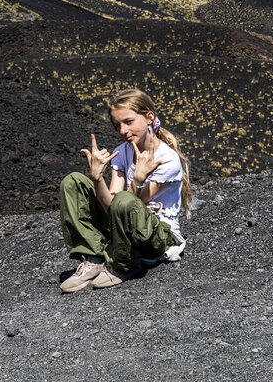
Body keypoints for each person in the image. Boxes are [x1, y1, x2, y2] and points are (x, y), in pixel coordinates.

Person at [59, 88, 192, 292]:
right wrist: (96, 179)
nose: (122, 131)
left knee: (125, 199)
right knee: (73, 182)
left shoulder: (166, 160)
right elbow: (111, 206)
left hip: (156, 235)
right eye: (117, 125)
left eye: (128, 122)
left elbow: (129, 202)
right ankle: (94, 257)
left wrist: (138, 180)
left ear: (149, 117)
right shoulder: (121, 153)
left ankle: (124, 263)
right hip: (125, 226)